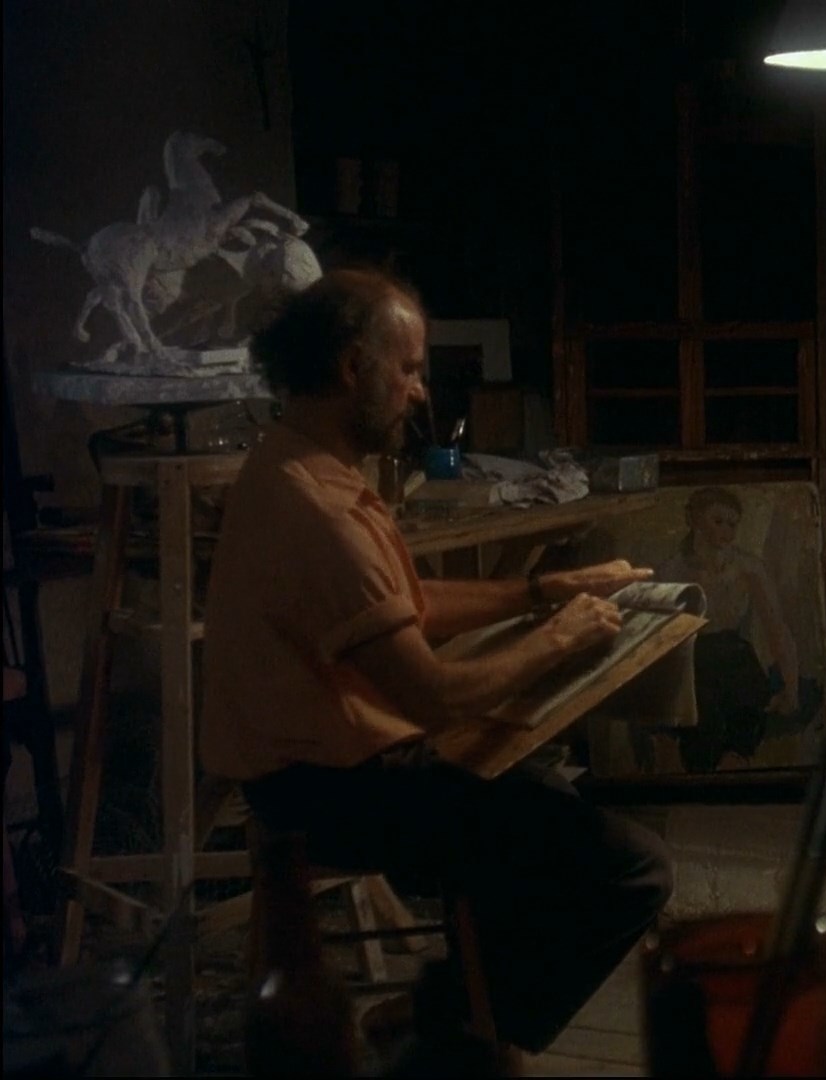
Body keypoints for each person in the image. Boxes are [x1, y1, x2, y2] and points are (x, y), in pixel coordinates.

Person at [199, 268, 673, 1060]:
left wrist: (540, 592)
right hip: (328, 793)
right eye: (410, 369)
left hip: (325, 771)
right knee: (631, 868)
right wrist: (562, 637)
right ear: (353, 368)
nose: (420, 393)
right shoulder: (317, 511)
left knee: (547, 803)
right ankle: (462, 1041)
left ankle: (445, 1012)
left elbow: (402, 605)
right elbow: (435, 697)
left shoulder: (294, 464)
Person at [654, 486, 808, 772]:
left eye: (732, 524)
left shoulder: (748, 568)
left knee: (743, 723)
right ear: (693, 519)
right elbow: (658, 637)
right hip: (690, 660)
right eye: (718, 521)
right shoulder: (671, 571)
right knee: (700, 731)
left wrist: (791, 686)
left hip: (734, 658)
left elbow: (776, 627)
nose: (726, 531)